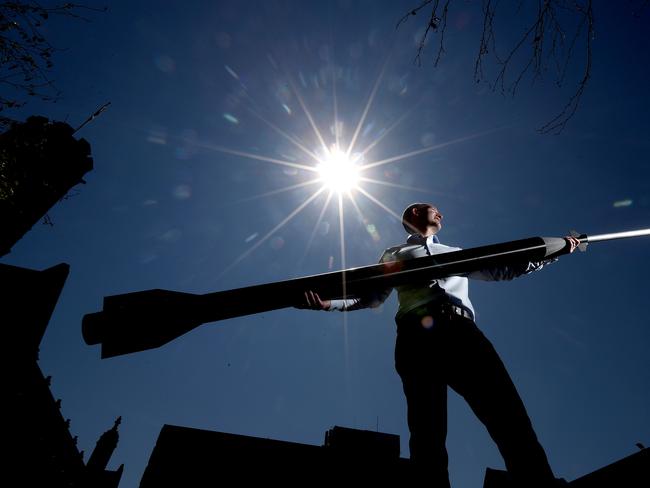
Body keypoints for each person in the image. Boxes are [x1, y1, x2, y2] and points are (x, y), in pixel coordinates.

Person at [298, 203, 579, 487]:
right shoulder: (393, 254)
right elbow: (372, 298)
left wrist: (553, 254)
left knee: (508, 415)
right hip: (415, 338)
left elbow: (502, 270)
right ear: (413, 215)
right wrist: (328, 304)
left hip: (462, 333)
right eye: (432, 209)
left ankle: (539, 485)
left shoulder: (456, 254)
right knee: (426, 432)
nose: (440, 214)